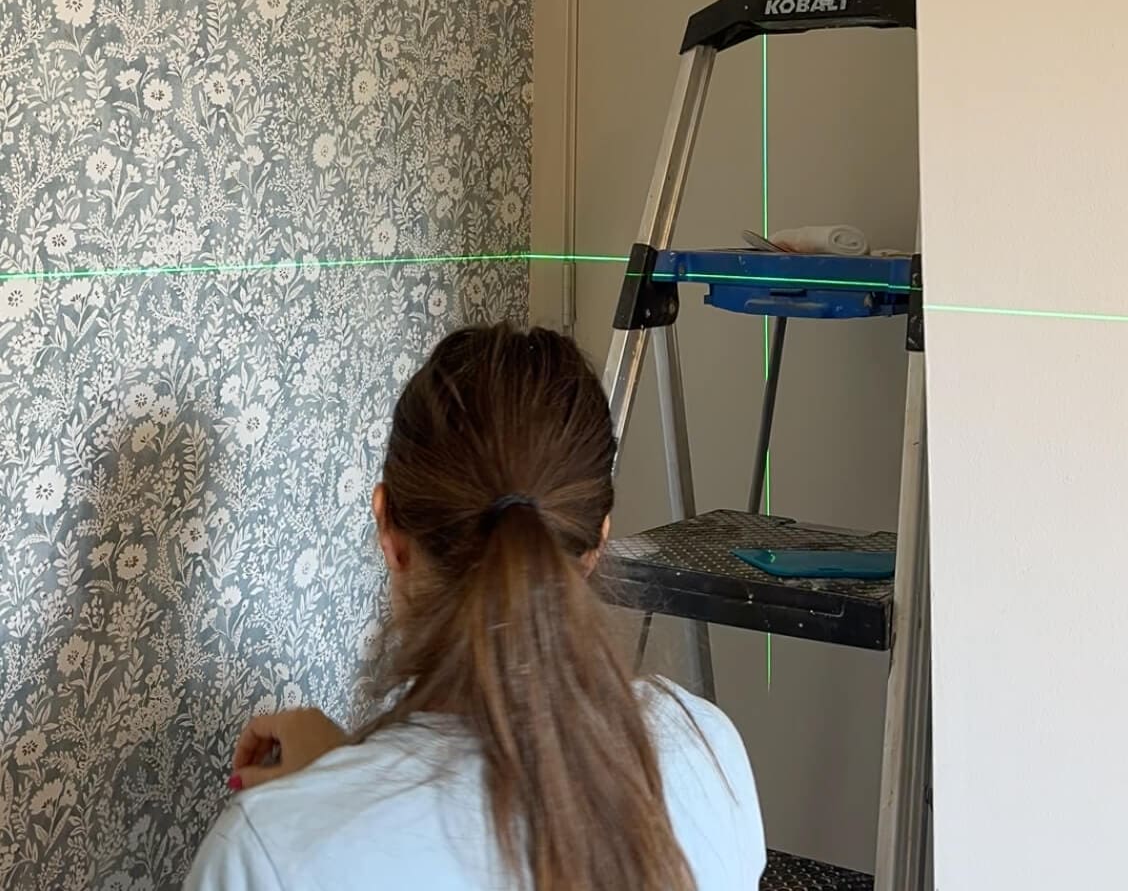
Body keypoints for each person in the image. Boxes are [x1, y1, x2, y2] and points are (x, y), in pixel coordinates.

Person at [185, 322, 766, 890]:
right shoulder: (705, 749)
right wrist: (341, 774)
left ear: (388, 527)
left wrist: (323, 803)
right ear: (595, 544)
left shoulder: (262, 858)